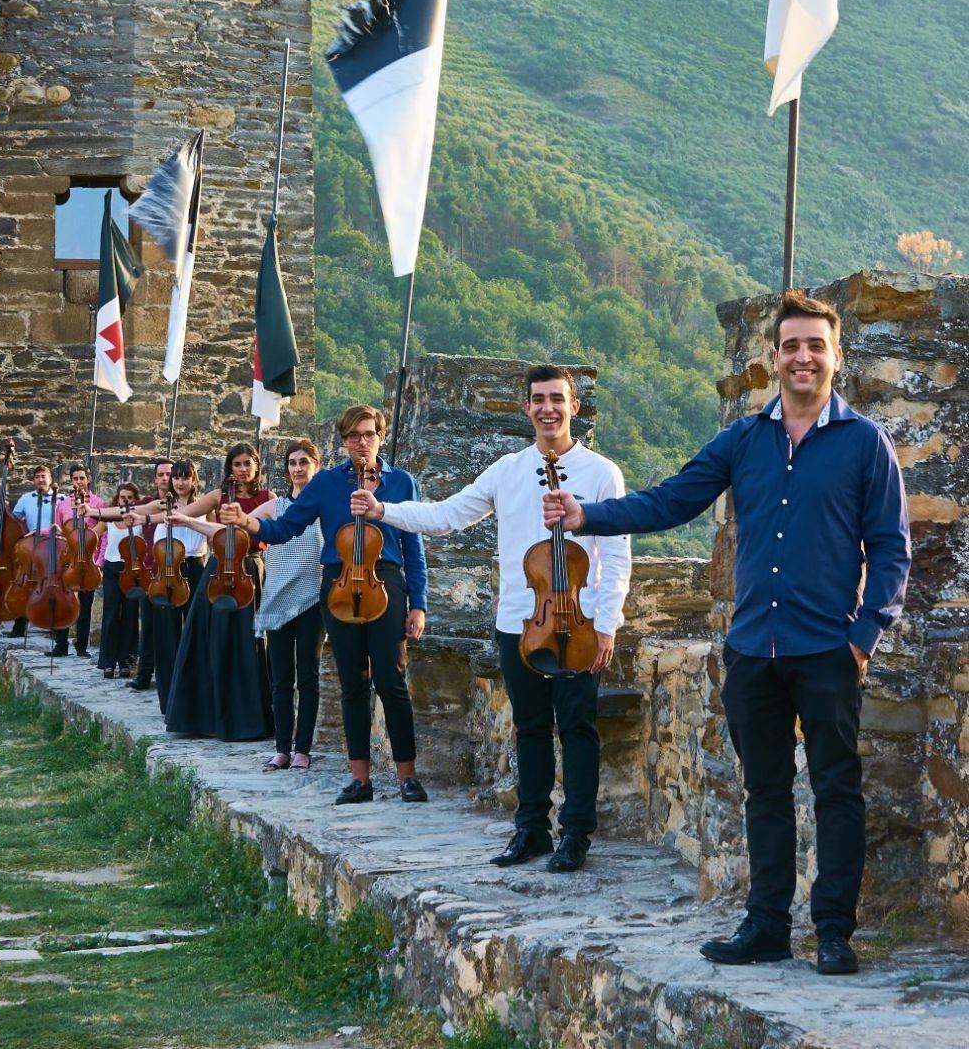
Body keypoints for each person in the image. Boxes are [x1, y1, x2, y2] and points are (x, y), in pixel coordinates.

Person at [544, 290, 911, 974]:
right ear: (773, 358)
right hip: (752, 650)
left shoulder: (865, 443)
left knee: (836, 789)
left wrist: (863, 636)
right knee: (764, 789)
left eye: (816, 345)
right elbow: (672, 498)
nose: (803, 356)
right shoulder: (744, 438)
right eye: (791, 345)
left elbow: (891, 549)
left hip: (829, 649)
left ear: (836, 356)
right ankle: (768, 923)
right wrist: (587, 514)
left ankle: (833, 930)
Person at [354, 365, 630, 871]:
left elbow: (615, 555)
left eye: (557, 399)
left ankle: (576, 835)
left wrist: (608, 622)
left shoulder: (601, 473)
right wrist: (383, 512)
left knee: (576, 727)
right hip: (519, 623)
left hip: (582, 625)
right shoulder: (507, 469)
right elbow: (446, 516)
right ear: (526, 408)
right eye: (538, 399)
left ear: (574, 407)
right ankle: (531, 830)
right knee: (527, 728)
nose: (548, 408)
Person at [249, 405, 429, 806]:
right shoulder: (327, 482)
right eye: (353, 436)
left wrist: (419, 603)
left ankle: (408, 777)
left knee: (390, 680)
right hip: (338, 583)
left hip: (387, 581)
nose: (361, 443)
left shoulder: (400, 482)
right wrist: (250, 525)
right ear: (343, 441)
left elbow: (413, 546)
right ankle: (359, 780)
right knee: (352, 683)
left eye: (368, 434)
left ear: (380, 436)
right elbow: (286, 527)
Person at [163, 444, 274, 742]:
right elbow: (178, 515)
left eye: (247, 463)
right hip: (217, 572)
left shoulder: (268, 498)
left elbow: (264, 533)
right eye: (237, 464)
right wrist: (178, 517)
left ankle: (248, 719)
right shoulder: (217, 496)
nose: (242, 469)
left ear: (256, 466)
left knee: (250, 643)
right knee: (211, 639)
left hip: (250, 569)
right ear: (229, 468)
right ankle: (206, 717)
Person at [249, 438, 326, 771]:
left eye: (304, 462)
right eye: (292, 463)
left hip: (313, 599)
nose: (297, 468)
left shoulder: (326, 506)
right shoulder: (275, 507)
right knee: (280, 678)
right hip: (278, 600)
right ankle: (281, 748)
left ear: (315, 466)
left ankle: (303, 749)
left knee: (307, 677)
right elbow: (239, 525)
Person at [130, 459, 210, 712]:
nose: (180, 482)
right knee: (167, 636)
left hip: (195, 568)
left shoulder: (205, 504)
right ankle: (170, 700)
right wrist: (96, 513)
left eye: (185, 477)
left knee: (196, 632)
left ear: (194, 479)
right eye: (176, 477)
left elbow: (215, 533)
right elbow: (133, 516)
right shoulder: (163, 505)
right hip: (166, 573)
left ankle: (197, 696)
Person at [124, 458, 171, 692]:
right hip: (150, 571)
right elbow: (126, 514)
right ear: (155, 479)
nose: (165, 478)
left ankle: (170, 675)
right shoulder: (147, 503)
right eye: (161, 474)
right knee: (149, 626)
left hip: (176, 574)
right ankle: (144, 673)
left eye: (169, 474)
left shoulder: (186, 504)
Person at [7, 462, 65, 641]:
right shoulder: (26, 498)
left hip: (53, 546)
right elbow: (16, 521)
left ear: (50, 479)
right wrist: (6, 509)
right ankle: (20, 623)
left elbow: (67, 522)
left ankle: (54, 624)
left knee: (51, 584)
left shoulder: (61, 498)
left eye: (43, 476)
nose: (41, 479)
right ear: (33, 481)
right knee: (28, 583)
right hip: (32, 545)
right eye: (37, 477)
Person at [93, 479, 142, 680]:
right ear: (117, 499)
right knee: (112, 614)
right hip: (112, 568)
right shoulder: (110, 518)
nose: (126, 501)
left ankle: (127, 661)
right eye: (123, 497)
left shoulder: (139, 518)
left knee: (131, 615)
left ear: (136, 500)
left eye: (130, 498)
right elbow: (92, 535)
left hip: (133, 569)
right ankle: (108, 662)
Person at [54, 463, 105, 658]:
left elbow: (103, 535)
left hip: (87, 563)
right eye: (75, 478)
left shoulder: (98, 504)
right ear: (71, 480)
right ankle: (60, 645)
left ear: (88, 479)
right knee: (64, 602)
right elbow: (59, 532)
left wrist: (99, 561)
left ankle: (81, 647)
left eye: (82, 478)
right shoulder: (63, 504)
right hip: (68, 561)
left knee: (85, 606)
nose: (78, 482)